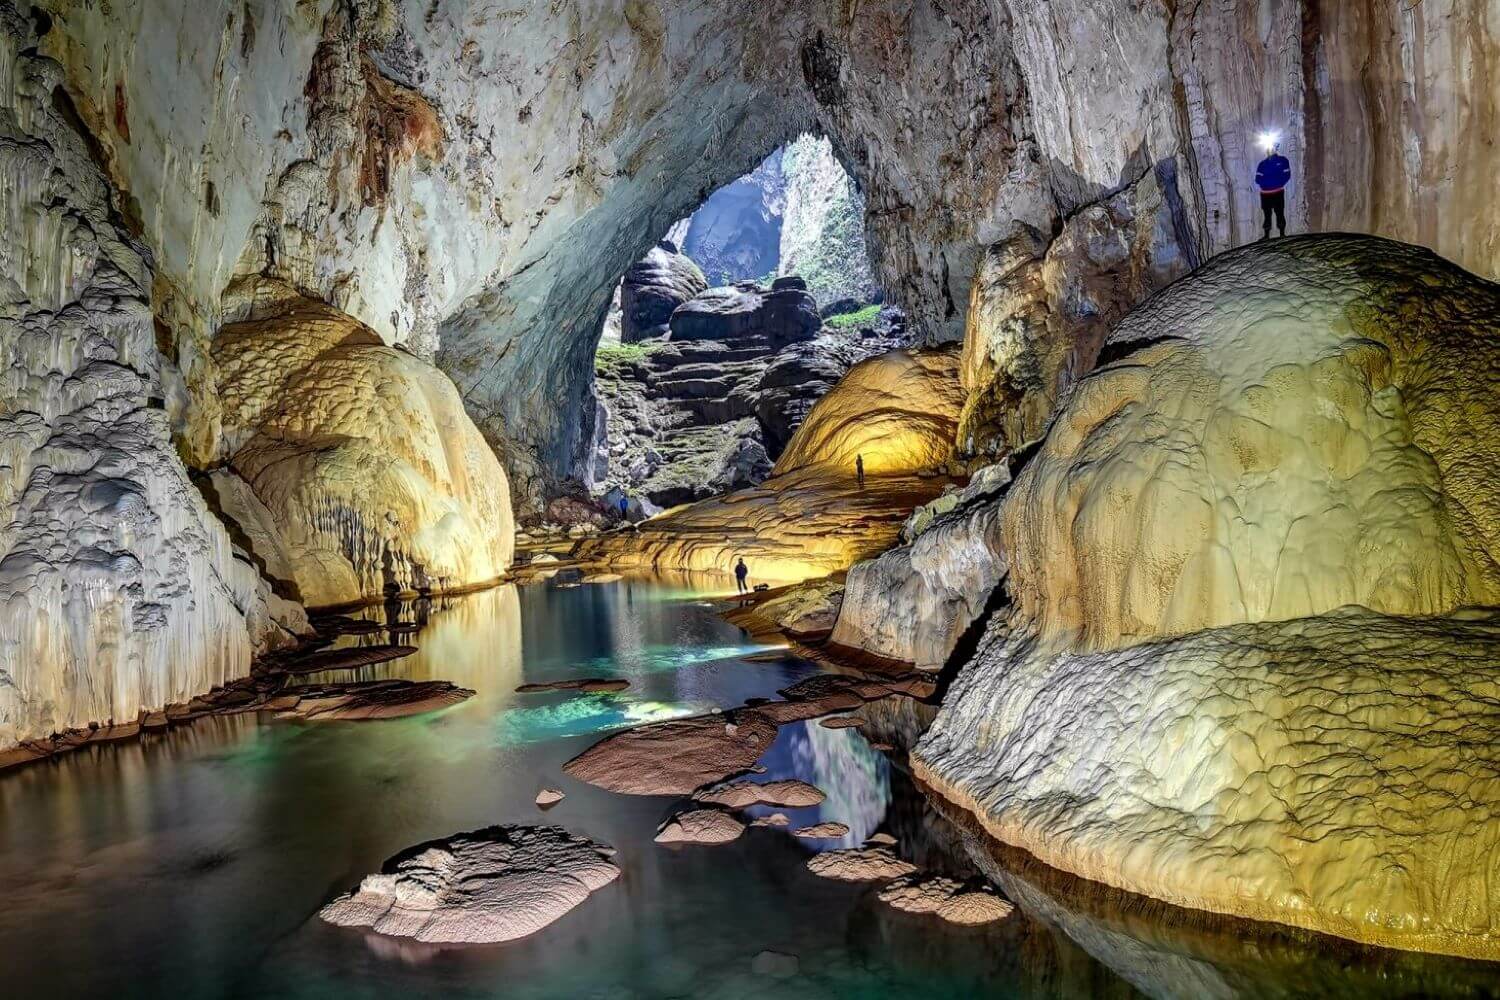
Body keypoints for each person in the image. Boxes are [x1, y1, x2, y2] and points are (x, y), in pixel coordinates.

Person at [1254, 141, 1291, 240]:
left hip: (1278, 192)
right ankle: (1266, 235)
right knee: (1267, 215)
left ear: (1275, 149)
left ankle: (1282, 234)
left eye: (1272, 148)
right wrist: (1273, 182)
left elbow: (1287, 175)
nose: (1270, 150)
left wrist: (1275, 183)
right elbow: (1257, 179)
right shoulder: (1262, 164)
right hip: (1265, 194)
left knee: (1279, 213)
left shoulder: (1283, 161)